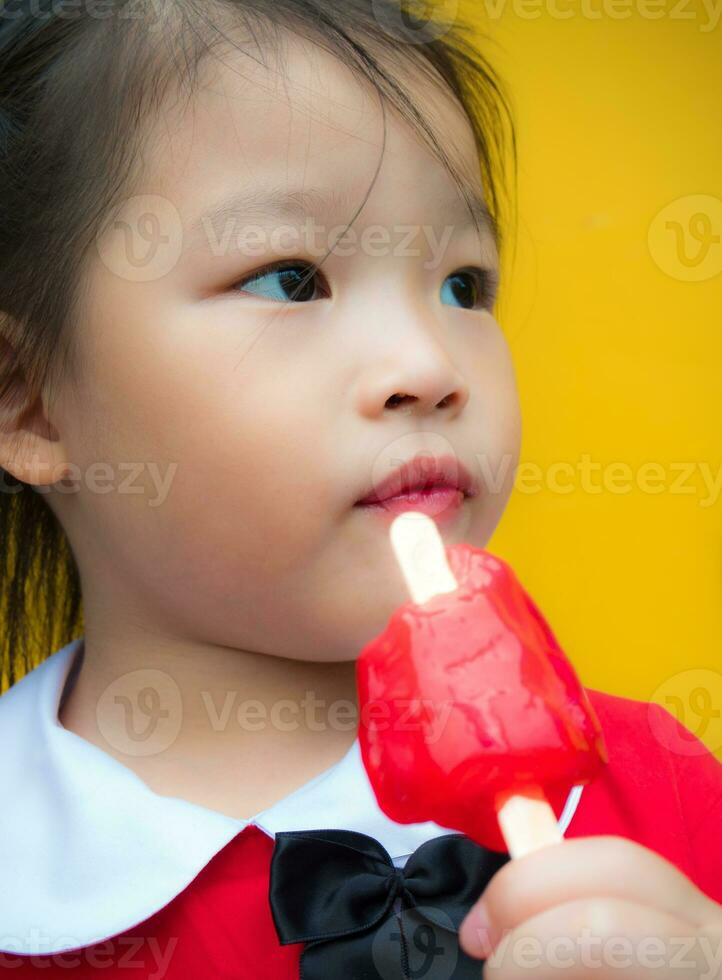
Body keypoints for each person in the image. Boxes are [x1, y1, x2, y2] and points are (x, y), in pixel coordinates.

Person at [0, 0, 720, 976]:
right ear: (32, 404)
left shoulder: (661, 794)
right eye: (292, 278)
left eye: (462, 284)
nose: (427, 364)